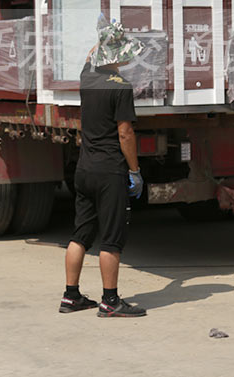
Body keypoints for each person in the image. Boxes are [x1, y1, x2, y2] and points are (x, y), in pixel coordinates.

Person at [59, 17, 147, 317]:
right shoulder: (121, 87)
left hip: (84, 169)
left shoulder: (86, 78)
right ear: (121, 55)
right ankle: (110, 302)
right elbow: (125, 133)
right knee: (111, 238)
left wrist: (104, 36)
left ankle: (71, 297)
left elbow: (89, 57)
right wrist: (134, 170)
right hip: (110, 171)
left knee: (80, 234)